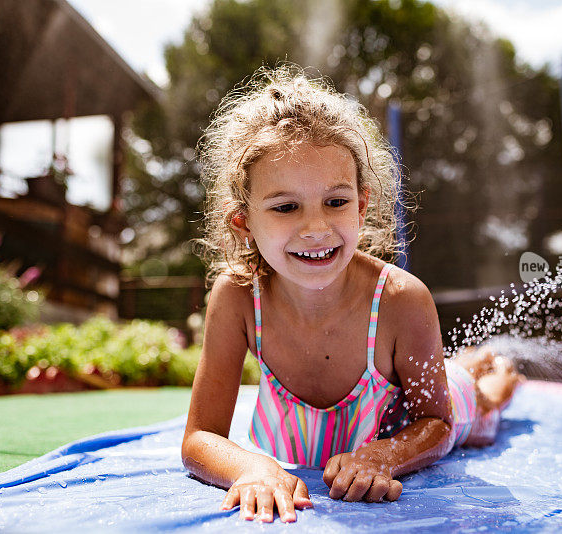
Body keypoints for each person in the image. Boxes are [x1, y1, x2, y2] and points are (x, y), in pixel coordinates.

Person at [181, 66, 522, 524]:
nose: (316, 228)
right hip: (359, 418)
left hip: (417, 413)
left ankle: (498, 374)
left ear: (361, 206)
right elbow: (200, 435)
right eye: (285, 207)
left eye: (336, 202)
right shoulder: (239, 297)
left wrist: (384, 456)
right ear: (243, 222)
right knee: (458, 374)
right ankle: (470, 362)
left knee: (479, 409)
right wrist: (252, 467)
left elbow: (437, 425)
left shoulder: (401, 300)